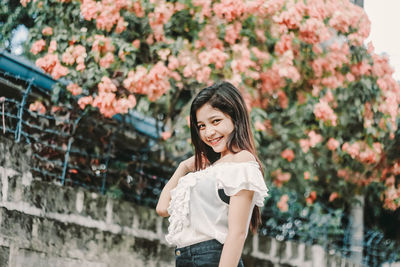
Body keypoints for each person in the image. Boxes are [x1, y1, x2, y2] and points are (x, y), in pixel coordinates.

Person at [156, 81, 268, 267]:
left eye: (216, 121)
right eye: (201, 126)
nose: (209, 132)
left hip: (212, 258)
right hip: (184, 258)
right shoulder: (209, 169)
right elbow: (162, 208)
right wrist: (183, 167)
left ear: (235, 118)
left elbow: (237, 233)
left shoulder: (241, 161)